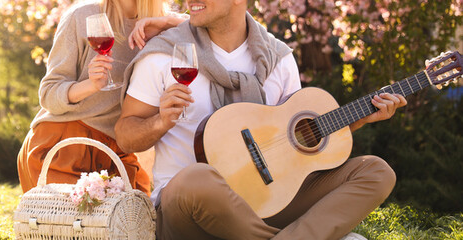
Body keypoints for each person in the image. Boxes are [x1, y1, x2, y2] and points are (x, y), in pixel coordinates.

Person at [115, 0, 407, 239]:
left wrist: (356, 120)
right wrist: (160, 122)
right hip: (188, 208)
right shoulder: (165, 54)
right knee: (196, 178)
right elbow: (125, 136)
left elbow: (296, 143)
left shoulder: (278, 58)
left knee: (376, 171)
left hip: (266, 203)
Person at [17, 0, 189, 195]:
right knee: (74, 215)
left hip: (116, 151)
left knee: (138, 211)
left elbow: (206, 27)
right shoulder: (82, 16)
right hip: (64, 145)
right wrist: (90, 85)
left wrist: (166, 22)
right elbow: (48, 94)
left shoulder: (163, 24)